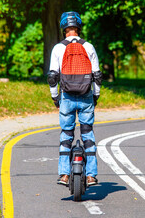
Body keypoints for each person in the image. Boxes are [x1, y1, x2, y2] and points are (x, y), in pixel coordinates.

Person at [47, 11, 102, 187]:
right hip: (86, 96)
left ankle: (63, 174)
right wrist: (96, 95)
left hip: (67, 97)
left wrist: (55, 97)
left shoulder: (58, 48)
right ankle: (91, 176)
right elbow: (98, 75)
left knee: (66, 136)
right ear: (79, 27)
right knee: (88, 136)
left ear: (64, 28)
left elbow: (52, 77)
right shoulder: (89, 47)